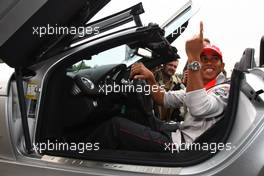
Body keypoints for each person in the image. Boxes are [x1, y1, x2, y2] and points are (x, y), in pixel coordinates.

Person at [87, 22, 229, 152]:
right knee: (142, 118)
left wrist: (193, 57)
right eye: (204, 59)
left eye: (214, 59)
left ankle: (84, 156)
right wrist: (150, 78)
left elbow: (200, 107)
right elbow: (163, 98)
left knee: (115, 126)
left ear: (221, 66)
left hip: (183, 146)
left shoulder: (224, 89)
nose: (209, 62)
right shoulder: (202, 88)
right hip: (182, 132)